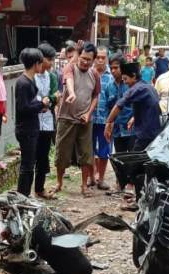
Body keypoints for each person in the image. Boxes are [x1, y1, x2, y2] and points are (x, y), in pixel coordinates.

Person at [104, 62, 161, 209]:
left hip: (145, 134)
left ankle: (138, 201)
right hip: (153, 132)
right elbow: (151, 106)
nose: (125, 83)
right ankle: (141, 197)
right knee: (144, 166)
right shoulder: (148, 87)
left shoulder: (137, 88)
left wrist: (108, 123)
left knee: (135, 167)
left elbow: (119, 105)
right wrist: (134, 118)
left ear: (134, 76)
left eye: (125, 79)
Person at [54, 42, 100, 197]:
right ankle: (59, 182)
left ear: (93, 60)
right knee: (62, 152)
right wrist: (71, 93)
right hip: (66, 118)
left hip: (84, 119)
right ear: (78, 56)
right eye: (83, 58)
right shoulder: (70, 68)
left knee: (86, 154)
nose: (85, 62)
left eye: (89, 59)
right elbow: (69, 80)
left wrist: (89, 113)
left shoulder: (94, 74)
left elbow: (95, 96)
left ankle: (84, 186)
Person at [15, 48, 50, 196]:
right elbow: (23, 108)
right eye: (40, 63)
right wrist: (41, 104)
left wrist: (40, 106)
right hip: (26, 129)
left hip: (31, 127)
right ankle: (22, 196)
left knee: (30, 164)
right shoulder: (23, 83)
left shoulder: (29, 81)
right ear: (36, 64)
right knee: (27, 165)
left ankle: (25, 195)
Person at [34, 43, 59, 199]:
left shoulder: (52, 77)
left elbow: (55, 96)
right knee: (33, 156)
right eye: (49, 59)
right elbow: (33, 97)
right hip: (34, 120)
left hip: (48, 120)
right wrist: (42, 102)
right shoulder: (32, 76)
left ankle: (40, 188)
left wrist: (47, 100)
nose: (51, 63)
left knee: (43, 155)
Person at [89, 46, 114, 190]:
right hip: (90, 118)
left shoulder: (111, 77)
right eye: (97, 57)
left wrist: (111, 121)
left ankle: (101, 179)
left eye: (102, 58)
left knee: (104, 150)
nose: (99, 60)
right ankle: (91, 177)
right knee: (89, 150)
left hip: (105, 119)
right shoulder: (89, 74)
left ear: (107, 59)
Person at [106, 53, 135, 154]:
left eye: (116, 67)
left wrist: (134, 117)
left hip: (132, 130)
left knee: (132, 160)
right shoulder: (109, 86)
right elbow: (109, 107)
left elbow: (140, 105)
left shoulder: (131, 83)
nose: (113, 71)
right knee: (120, 160)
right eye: (111, 68)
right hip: (117, 131)